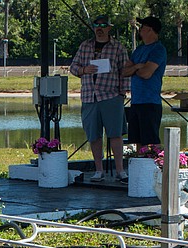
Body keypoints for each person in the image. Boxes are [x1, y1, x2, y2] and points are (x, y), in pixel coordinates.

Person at [69, 15, 129, 184]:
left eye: (103, 25)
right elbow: (73, 68)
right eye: (97, 25)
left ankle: (120, 171)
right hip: (89, 96)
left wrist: (122, 93)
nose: (100, 28)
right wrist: (84, 69)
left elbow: (124, 71)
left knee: (115, 134)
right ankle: (98, 170)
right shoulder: (85, 46)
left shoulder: (118, 47)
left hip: (111, 95)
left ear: (109, 28)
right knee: (94, 135)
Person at [123, 16, 167, 150]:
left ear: (150, 30)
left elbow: (146, 73)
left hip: (150, 102)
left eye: (142, 27)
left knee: (152, 140)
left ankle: (156, 164)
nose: (140, 30)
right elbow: (125, 71)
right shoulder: (138, 50)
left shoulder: (158, 49)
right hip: (136, 101)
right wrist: (137, 66)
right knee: (138, 140)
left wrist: (136, 68)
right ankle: (141, 164)